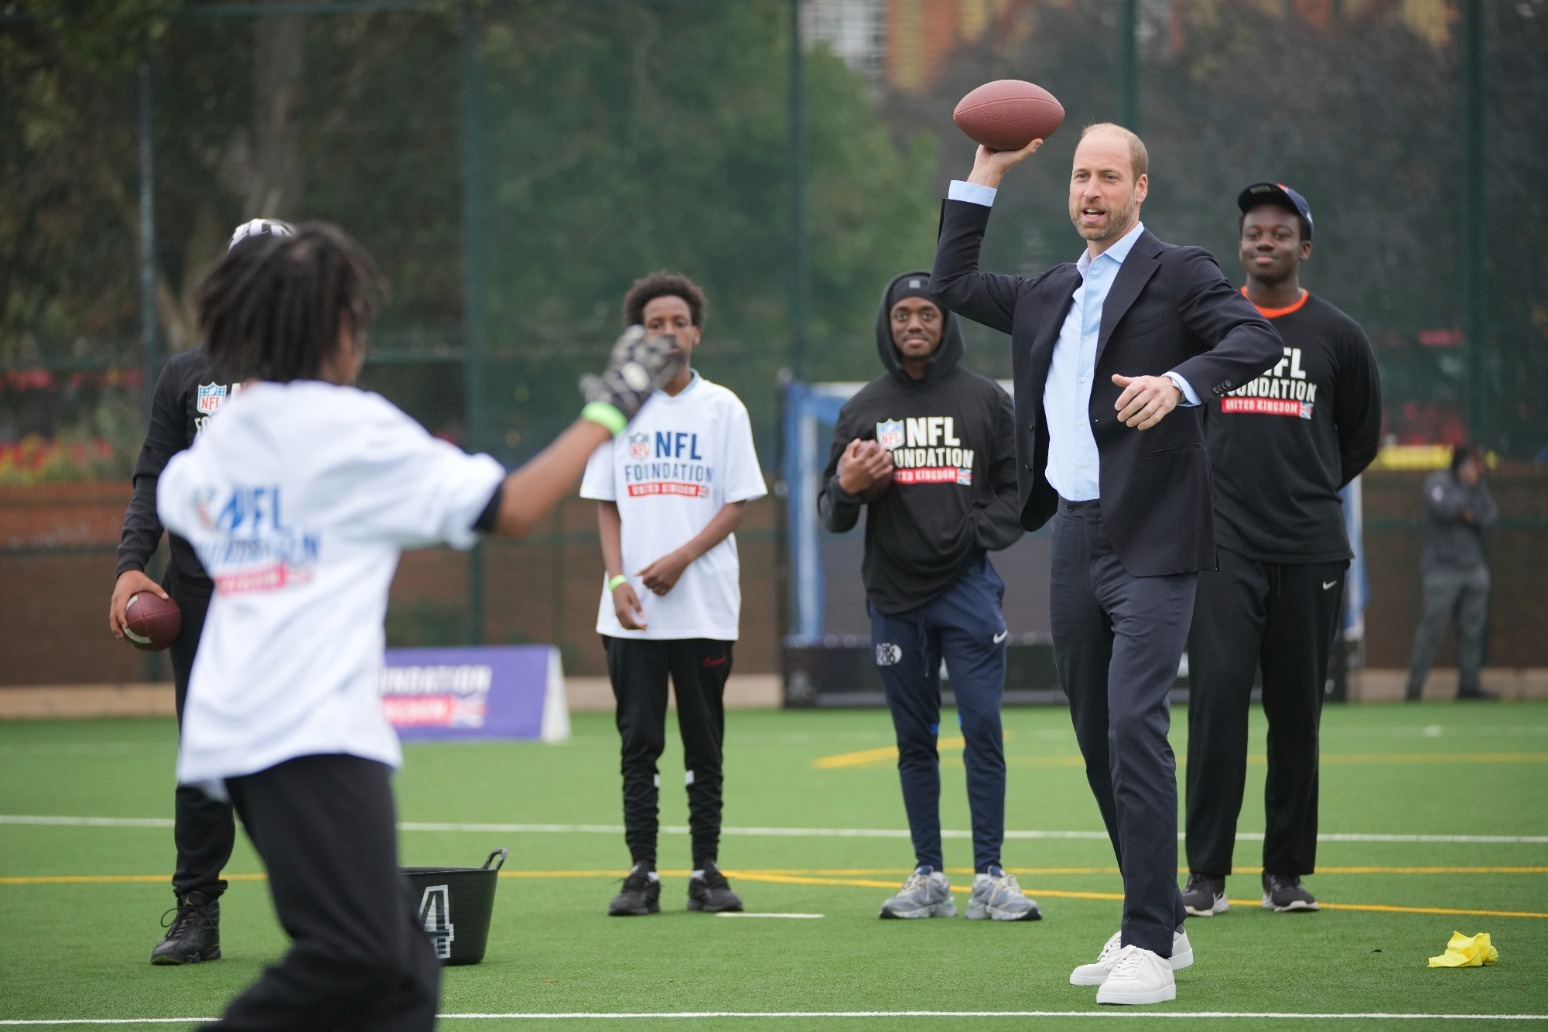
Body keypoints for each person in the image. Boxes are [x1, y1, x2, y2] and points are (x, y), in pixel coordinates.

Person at [155, 223, 681, 1029]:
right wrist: (612, 406)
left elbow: (177, 494)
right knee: (358, 957)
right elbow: (513, 508)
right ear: (335, 328)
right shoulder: (351, 429)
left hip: (240, 731)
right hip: (307, 731)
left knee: (404, 975)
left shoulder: (223, 440)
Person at [930, 124, 1281, 1005]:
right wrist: (985, 172)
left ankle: (1153, 946)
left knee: (1134, 723)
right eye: (1081, 177)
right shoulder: (1050, 289)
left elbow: (1254, 340)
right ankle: (1149, 914)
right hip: (1074, 534)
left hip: (1157, 534)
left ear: (1140, 188)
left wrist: (1182, 383)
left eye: (1108, 178)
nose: (1090, 191)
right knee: (1095, 733)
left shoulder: (1181, 271)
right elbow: (954, 284)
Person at [1181, 183, 1382, 922]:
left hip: (1309, 549)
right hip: (1222, 547)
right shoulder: (1206, 327)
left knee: (1297, 715)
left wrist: (1306, 491)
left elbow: (1359, 437)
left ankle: (1287, 874)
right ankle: (1205, 876)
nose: (1265, 241)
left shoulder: (1338, 335)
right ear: (1241, 243)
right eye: (1254, 232)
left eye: (1280, 233)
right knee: (1217, 705)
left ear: (1304, 247)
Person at [817, 272, 1035, 921]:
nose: (915, 325)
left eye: (927, 315)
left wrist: (973, 533)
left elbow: (1019, 492)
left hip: (967, 591)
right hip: (895, 598)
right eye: (903, 315)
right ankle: (929, 875)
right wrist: (851, 486)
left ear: (947, 323)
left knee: (983, 729)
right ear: (887, 325)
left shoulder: (987, 401)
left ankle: (992, 874)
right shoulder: (862, 408)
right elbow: (831, 512)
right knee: (915, 739)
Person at [109, 217, 294, 965]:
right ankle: (196, 912)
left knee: (300, 756)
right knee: (204, 754)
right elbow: (154, 475)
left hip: (287, 597)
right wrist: (130, 563)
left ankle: (323, 914)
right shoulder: (185, 374)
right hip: (200, 595)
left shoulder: (315, 375)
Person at [580, 272, 767, 917]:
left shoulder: (723, 408)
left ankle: (707, 871)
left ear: (696, 333)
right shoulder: (615, 408)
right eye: (654, 324)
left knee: (703, 742)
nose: (667, 334)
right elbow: (605, 504)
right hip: (630, 613)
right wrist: (618, 580)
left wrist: (683, 558)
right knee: (639, 744)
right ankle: (641, 873)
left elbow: (738, 500)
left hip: (705, 609)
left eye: (677, 323)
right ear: (637, 334)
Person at [1405, 443, 1498, 701]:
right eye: (1472, 464)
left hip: (1474, 569)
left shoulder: (1480, 486)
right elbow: (1447, 509)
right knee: (1432, 629)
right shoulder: (1438, 483)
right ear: (1460, 463)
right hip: (1442, 570)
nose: (1475, 470)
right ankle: (1414, 690)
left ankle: (1469, 687)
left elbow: (1489, 518)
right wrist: (1466, 493)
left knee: (1472, 631)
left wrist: (1471, 510)